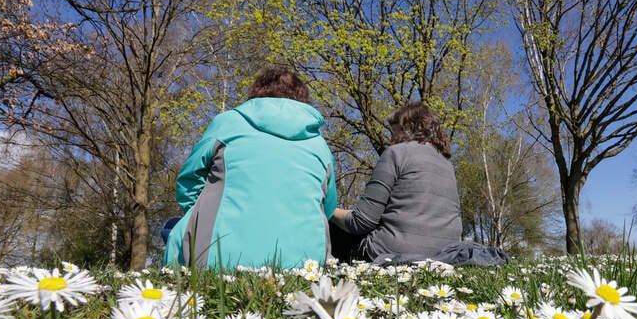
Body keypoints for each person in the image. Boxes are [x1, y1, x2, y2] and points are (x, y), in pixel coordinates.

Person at [163, 67, 337, 269]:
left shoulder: (227, 123)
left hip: (218, 261)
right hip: (304, 268)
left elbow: (189, 181)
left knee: (172, 229)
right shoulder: (319, 144)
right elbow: (328, 208)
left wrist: (203, 215)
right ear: (302, 100)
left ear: (257, 93)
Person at [330, 102, 462, 262]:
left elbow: (361, 221)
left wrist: (329, 210)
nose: (391, 139)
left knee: (332, 224)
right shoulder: (447, 164)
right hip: (445, 255)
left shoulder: (396, 153)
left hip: (393, 253)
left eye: (394, 132)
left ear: (409, 128)